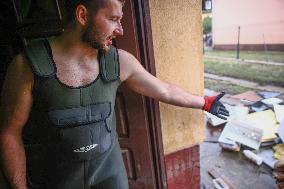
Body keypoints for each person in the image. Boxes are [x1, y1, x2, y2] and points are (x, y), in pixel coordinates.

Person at [0, 0, 229, 188]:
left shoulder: (120, 62)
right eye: (114, 19)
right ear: (82, 15)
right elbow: (9, 133)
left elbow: (164, 90)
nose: (120, 30)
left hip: (109, 177)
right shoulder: (28, 67)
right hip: (58, 180)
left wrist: (205, 103)